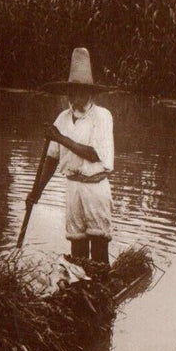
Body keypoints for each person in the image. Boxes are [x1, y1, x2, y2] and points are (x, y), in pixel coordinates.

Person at [27, 47, 115, 269]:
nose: (74, 96)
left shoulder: (102, 117)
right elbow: (51, 160)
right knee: (76, 246)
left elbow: (93, 153)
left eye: (79, 91)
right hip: (73, 187)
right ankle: (79, 287)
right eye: (71, 91)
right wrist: (35, 192)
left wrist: (61, 138)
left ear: (89, 93)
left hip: (95, 188)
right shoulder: (62, 119)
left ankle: (101, 286)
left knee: (98, 244)